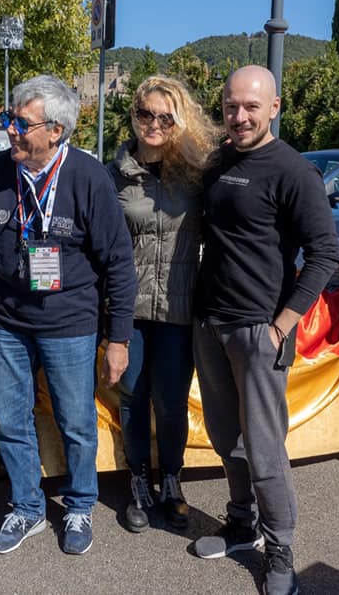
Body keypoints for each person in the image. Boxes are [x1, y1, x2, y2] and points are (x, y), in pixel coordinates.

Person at [0, 75, 137, 556]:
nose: (10, 130)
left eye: (20, 122)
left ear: (55, 130)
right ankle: (27, 507)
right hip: (11, 321)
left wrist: (118, 338)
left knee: (75, 421)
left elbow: (119, 262)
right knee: (11, 419)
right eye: (8, 119)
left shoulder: (88, 177)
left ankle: (79, 504)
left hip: (71, 325)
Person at [189, 65, 338, 595]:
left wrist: (281, 327)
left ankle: (280, 548)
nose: (240, 115)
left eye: (252, 106)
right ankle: (240, 523)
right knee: (227, 438)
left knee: (265, 448)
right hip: (210, 323)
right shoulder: (217, 162)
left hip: (260, 330)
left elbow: (325, 256)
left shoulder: (294, 171)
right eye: (232, 106)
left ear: (274, 107)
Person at [108, 75, 219, 532]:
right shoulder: (112, 174)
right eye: (145, 114)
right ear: (133, 116)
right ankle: (138, 480)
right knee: (133, 397)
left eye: (165, 117)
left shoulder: (197, 174)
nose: (153, 124)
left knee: (171, 400)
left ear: (179, 122)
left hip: (178, 309)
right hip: (128, 310)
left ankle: (170, 480)